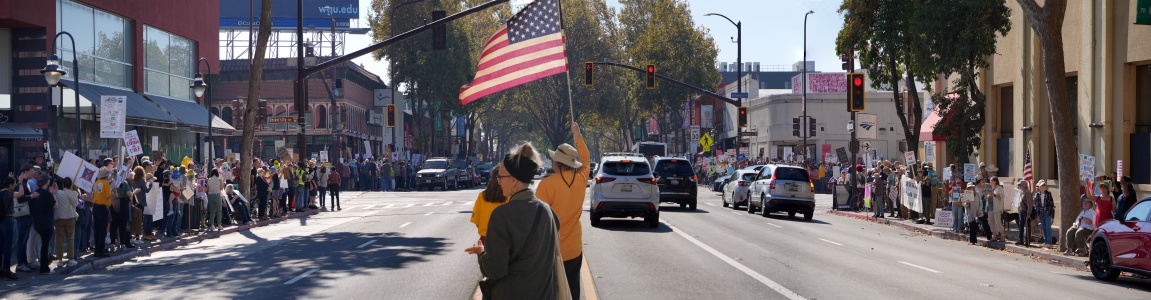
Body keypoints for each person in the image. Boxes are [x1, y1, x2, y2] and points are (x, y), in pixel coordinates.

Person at [464, 143, 562, 300]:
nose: (499, 181)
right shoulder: (548, 212)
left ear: (514, 180)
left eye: (500, 177)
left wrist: (481, 252)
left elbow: (495, 270)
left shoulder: (501, 216)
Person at [471, 167, 509, 242]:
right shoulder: (510, 196)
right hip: (505, 240)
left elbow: (476, 220)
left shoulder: (482, 196)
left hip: (485, 239)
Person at [29, 175, 57, 274]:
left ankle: (42, 265)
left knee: (43, 245)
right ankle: (44, 268)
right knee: (45, 245)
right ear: (47, 182)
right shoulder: (47, 194)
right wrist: (53, 194)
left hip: (38, 222)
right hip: (47, 222)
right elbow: (55, 205)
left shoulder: (36, 193)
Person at [53, 177, 79, 268]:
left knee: (59, 239)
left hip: (58, 217)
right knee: (70, 238)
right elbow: (76, 204)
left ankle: (60, 259)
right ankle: (70, 258)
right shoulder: (74, 193)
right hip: (69, 217)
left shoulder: (58, 193)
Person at [1, 177, 18, 280]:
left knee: (1, 246)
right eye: (14, 184)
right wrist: (20, 182)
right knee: (8, 246)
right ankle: (7, 270)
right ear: (10, 185)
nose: (14, 186)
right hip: (8, 220)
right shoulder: (8, 193)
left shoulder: (1, 192)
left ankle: (1, 270)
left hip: (1, 221)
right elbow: (21, 193)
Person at [1034, 180, 1055, 247]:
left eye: (1044, 185)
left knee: (1048, 228)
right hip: (1041, 214)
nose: (1043, 186)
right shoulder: (1037, 195)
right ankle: (1046, 241)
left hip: (1047, 214)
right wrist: (1038, 215)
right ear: (1039, 187)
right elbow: (1036, 206)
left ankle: (1049, 242)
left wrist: (1049, 212)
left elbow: (1051, 203)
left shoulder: (1048, 193)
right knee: (1043, 228)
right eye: (1042, 185)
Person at [1015, 179, 1034, 246]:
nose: (1019, 187)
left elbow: (1029, 204)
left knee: (1027, 227)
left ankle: (1027, 241)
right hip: (1022, 211)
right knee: (1021, 226)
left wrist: (1029, 213)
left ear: (1024, 186)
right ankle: (1021, 240)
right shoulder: (1022, 192)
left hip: (1026, 212)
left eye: (1020, 185)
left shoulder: (1027, 192)